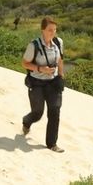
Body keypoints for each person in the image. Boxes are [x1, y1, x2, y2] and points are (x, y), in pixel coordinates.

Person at [21, 16, 65, 153]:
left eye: (55, 30)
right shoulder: (33, 45)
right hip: (37, 83)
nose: (53, 33)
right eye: (50, 30)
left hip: (52, 82)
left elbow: (60, 60)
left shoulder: (58, 42)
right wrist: (41, 69)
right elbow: (24, 63)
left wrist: (61, 76)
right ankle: (26, 121)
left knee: (55, 110)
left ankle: (52, 144)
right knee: (37, 113)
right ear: (43, 30)